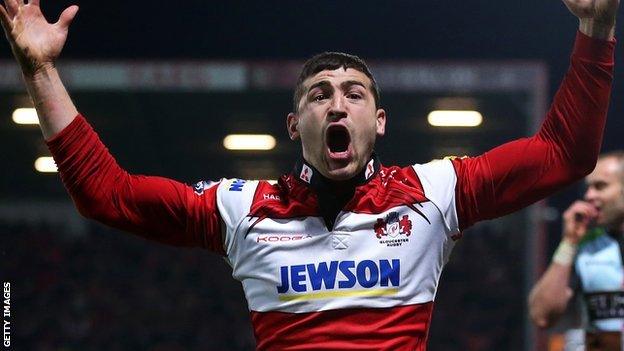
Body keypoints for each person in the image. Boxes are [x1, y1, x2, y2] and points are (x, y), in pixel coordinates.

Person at [0, 0, 619, 349]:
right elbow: (106, 195)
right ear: (295, 125)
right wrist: (40, 71)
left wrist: (596, 29)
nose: (336, 103)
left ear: (379, 121)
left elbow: (563, 153)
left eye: (353, 94)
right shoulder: (243, 210)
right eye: (319, 94)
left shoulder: (433, 193)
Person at [529, 151, 624, 349]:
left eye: (600, 186)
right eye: (588, 188)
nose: (589, 196)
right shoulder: (585, 245)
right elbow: (541, 316)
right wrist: (569, 242)